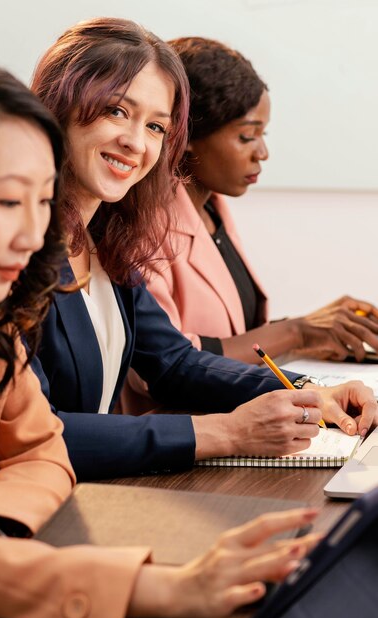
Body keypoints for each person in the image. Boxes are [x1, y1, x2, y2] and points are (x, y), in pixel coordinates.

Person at [0, 48, 325, 618]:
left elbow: (42, 451)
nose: (33, 233)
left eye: (41, 202)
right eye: (9, 202)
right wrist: (160, 589)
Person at [29, 17, 378, 481]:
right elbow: (37, 431)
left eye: (156, 126)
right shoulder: (16, 251)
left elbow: (174, 362)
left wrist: (312, 392)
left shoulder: (106, 245)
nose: (136, 142)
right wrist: (226, 433)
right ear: (60, 106)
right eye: (117, 111)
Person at [138, 36, 378, 365]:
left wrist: (317, 334)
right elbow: (165, 363)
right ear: (186, 134)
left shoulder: (212, 210)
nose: (262, 153)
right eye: (247, 136)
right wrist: (297, 332)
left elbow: (239, 336)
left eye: (263, 135)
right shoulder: (144, 229)